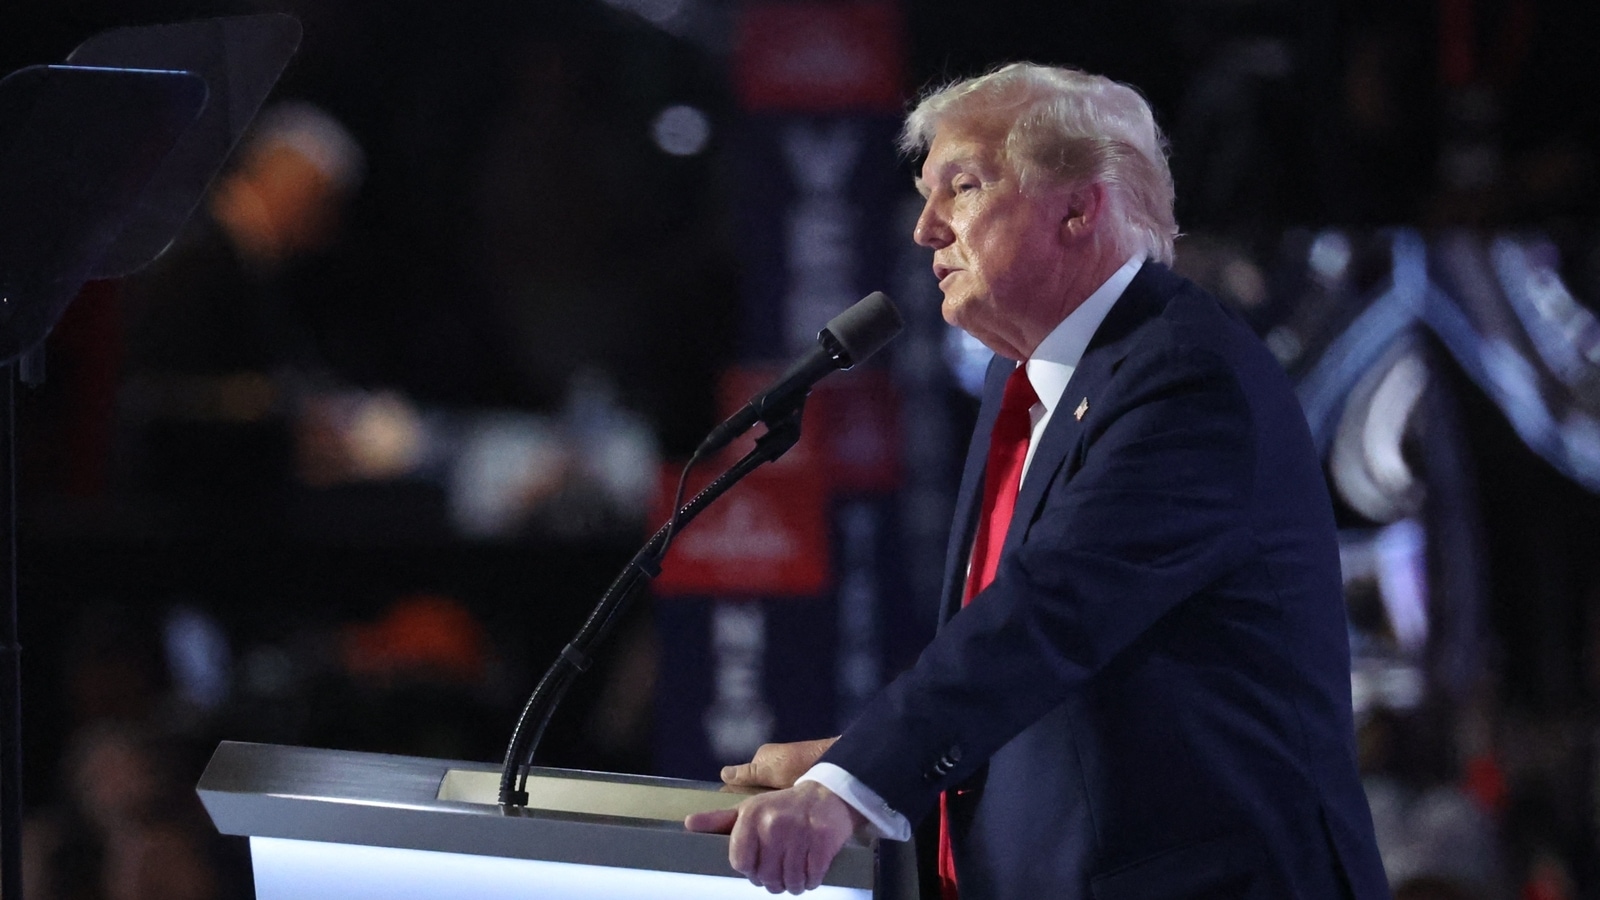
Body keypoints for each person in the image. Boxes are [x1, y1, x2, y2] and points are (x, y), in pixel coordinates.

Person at [684, 63, 1391, 899]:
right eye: (926, 192)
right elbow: (1049, 691)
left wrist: (855, 784)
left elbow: (1049, 616)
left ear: (1080, 208)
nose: (925, 230)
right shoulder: (1023, 379)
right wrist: (865, 760)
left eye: (964, 187)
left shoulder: (1185, 380)